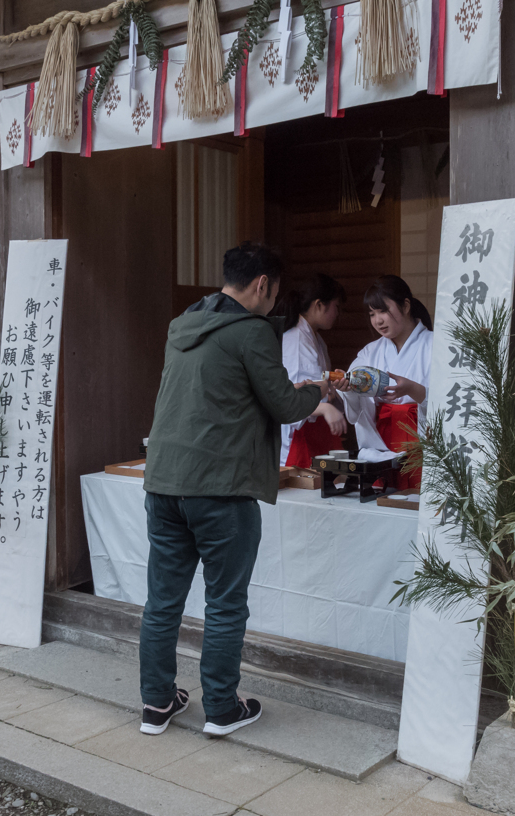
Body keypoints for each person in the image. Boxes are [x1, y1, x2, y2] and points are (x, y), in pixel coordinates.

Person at [140, 242, 328, 737]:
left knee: (163, 601)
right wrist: (320, 390)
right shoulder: (250, 332)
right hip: (221, 489)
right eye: (276, 292)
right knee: (224, 603)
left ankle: (157, 704)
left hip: (163, 483)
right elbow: (286, 404)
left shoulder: (184, 323)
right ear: (263, 285)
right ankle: (221, 708)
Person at [337, 275, 433, 489]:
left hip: (422, 444)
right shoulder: (370, 352)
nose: (377, 320)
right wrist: (348, 389)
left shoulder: (435, 346)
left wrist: (415, 390)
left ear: (405, 305)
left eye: (383, 311)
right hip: (381, 446)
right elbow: (355, 397)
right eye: (372, 314)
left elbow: (450, 399)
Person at [274, 274, 348, 468]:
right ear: (319, 305)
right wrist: (325, 408)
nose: (338, 313)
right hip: (295, 439)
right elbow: (293, 398)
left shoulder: (314, 338)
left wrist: (331, 395)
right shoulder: (297, 339)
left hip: (314, 432)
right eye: (336, 306)